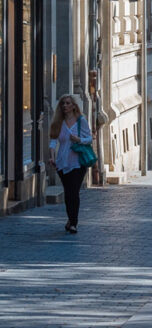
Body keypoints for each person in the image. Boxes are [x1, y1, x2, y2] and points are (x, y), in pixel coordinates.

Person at [48, 94, 93, 234]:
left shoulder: (81, 121)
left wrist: (79, 139)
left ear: (74, 106)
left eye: (68, 103)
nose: (65, 106)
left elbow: (89, 138)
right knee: (68, 193)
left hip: (78, 162)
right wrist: (52, 157)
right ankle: (70, 219)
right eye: (63, 104)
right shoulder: (58, 122)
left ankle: (74, 223)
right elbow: (53, 141)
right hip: (62, 162)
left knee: (74, 192)